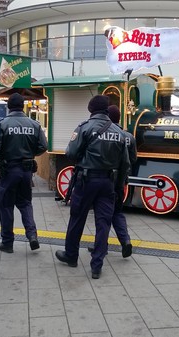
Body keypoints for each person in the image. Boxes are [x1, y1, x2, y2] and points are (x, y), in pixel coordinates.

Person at [55, 95, 130, 279]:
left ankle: (71, 255)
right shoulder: (119, 133)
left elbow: (70, 153)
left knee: (77, 218)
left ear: (90, 109)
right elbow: (125, 164)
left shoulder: (84, 128)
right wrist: (118, 188)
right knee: (103, 223)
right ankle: (97, 265)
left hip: (86, 181)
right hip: (108, 183)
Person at [0, 93, 47, 253]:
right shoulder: (34, 124)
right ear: (22, 106)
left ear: (9, 106)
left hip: (9, 169)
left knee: (6, 205)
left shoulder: (2, 124)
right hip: (27, 170)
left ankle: (7, 242)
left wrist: (4, 154)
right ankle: (32, 235)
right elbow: (43, 146)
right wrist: (30, 154)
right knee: (25, 203)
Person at [87, 105, 136, 258]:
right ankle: (125, 240)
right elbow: (133, 159)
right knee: (117, 211)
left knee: (102, 214)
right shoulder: (129, 136)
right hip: (121, 181)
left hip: (105, 178)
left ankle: (101, 245)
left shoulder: (105, 133)